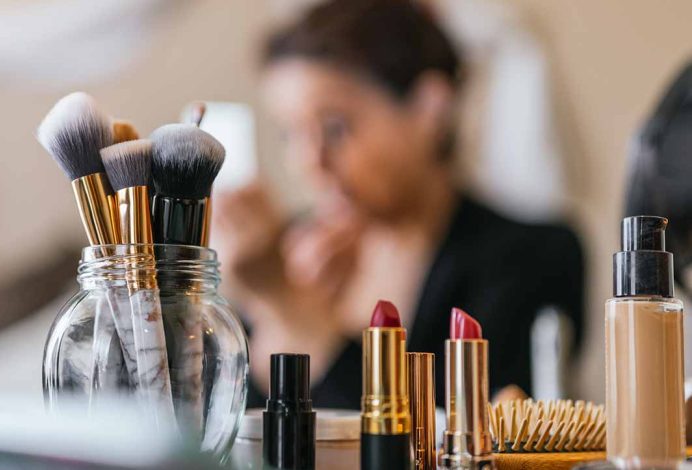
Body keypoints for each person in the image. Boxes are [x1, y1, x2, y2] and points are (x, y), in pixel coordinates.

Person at [214, 0, 584, 409]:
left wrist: (287, 308)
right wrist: (264, 307)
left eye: (335, 128)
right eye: (290, 134)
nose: (308, 162)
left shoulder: (535, 256)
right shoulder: (284, 253)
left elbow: (465, 440)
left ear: (430, 108)